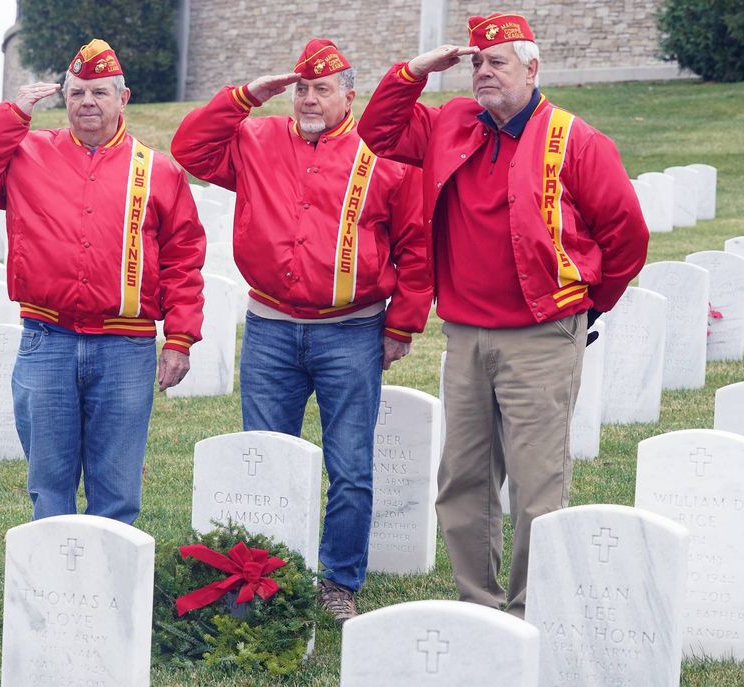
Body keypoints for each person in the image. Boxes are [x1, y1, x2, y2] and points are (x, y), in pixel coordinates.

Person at [358, 13, 649, 617]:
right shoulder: (451, 123)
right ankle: (480, 605)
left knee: (537, 486)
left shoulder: (578, 141)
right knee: (462, 481)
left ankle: (528, 611)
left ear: (532, 68)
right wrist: (416, 71)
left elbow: (626, 236)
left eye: (498, 63)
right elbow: (379, 132)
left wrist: (588, 305)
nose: (484, 73)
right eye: (477, 63)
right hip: (465, 334)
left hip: (541, 336)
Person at [171, 39, 431, 622]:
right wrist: (244, 96)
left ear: (349, 94)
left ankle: (338, 581)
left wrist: (404, 324)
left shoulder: (384, 155)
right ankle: (265, 577)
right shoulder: (256, 139)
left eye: (323, 88)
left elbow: (417, 247)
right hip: (269, 329)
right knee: (263, 460)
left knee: (351, 465)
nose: (310, 99)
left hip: (352, 332)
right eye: (301, 89)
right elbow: (190, 147)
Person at [0, 39, 205, 525]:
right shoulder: (27, 154)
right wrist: (13, 113)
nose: (88, 102)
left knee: (118, 485)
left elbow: (183, 258)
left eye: (100, 93)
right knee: (49, 481)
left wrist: (181, 338)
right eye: (77, 92)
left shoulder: (159, 172)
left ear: (122, 98)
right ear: (64, 99)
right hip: (48, 341)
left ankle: (109, 587)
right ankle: (52, 587)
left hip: (125, 346)